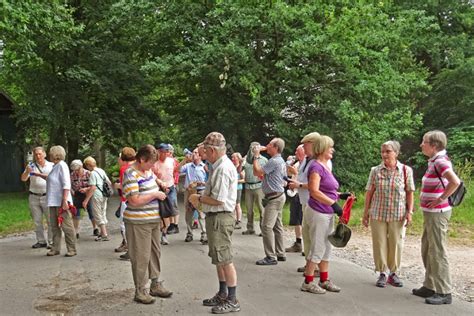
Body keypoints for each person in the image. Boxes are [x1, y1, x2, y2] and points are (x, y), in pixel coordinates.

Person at [189, 132, 240, 314]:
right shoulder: (217, 166)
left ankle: (232, 299)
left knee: (225, 258)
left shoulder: (223, 168)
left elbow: (218, 199)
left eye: (204, 150)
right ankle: (223, 293)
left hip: (221, 216)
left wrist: (198, 198)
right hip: (216, 217)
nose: (203, 153)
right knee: (219, 258)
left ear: (211, 150)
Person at [413, 130, 461, 305]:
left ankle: (444, 292)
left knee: (438, 251)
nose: (421, 145)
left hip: (438, 213)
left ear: (434, 145)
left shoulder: (440, 161)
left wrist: (441, 198)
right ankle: (430, 285)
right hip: (431, 213)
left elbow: (455, 182)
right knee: (427, 248)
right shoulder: (434, 160)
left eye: (424, 142)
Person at [122, 144, 173, 304]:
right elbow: (134, 200)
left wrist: (160, 183)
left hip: (153, 220)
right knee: (141, 256)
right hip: (138, 223)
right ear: (141, 159)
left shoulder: (147, 170)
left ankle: (155, 283)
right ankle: (141, 290)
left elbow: (152, 177)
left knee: (154, 253)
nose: (152, 166)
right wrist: (155, 195)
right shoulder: (131, 174)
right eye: (150, 163)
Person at [363, 141, 415, 288]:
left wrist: (409, 212)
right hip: (378, 212)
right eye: (383, 151)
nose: (385, 154)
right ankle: (382, 273)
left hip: (398, 214)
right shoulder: (375, 170)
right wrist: (365, 213)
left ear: (396, 153)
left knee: (396, 242)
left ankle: (394, 273)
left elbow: (410, 193)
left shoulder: (405, 170)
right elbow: (369, 193)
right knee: (379, 243)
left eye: (388, 151)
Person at [301, 135, 341, 294]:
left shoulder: (324, 165)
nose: (333, 150)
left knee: (326, 247)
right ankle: (308, 281)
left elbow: (326, 189)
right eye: (330, 147)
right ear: (322, 149)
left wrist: (339, 195)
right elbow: (314, 190)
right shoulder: (316, 167)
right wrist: (333, 203)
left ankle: (324, 279)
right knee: (318, 247)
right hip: (319, 212)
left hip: (326, 212)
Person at [253, 138, 287, 265]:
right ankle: (280, 253)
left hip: (274, 198)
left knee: (266, 227)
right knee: (277, 226)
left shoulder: (274, 161)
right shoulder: (279, 160)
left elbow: (257, 171)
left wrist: (256, 156)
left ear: (276, 147)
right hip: (278, 196)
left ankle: (270, 257)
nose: (267, 146)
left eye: (270, 144)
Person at [46, 145, 77, 257]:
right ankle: (55, 248)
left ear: (55, 154)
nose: (49, 154)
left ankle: (72, 249)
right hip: (53, 201)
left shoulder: (62, 166)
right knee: (54, 226)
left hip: (61, 201)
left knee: (66, 226)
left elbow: (66, 184)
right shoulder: (55, 166)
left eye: (50, 153)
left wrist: (64, 200)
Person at [20, 147, 54, 249]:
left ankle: (51, 241)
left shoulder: (51, 165)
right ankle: (41, 241)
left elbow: (54, 179)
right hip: (34, 196)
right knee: (37, 220)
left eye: (40, 154)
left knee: (50, 220)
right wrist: (27, 171)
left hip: (47, 195)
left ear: (44, 154)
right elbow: (23, 178)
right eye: (36, 154)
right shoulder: (31, 166)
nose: (38, 156)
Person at [153, 143, 180, 244]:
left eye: (167, 152)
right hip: (159, 189)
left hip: (171, 187)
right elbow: (152, 177)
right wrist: (160, 184)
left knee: (170, 210)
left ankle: (166, 231)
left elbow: (176, 171)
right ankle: (162, 233)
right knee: (161, 212)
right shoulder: (154, 163)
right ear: (159, 152)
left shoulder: (171, 161)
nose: (165, 154)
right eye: (163, 152)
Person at [181, 148, 207, 243]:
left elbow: (208, 182)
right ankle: (189, 233)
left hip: (200, 192)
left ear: (200, 155)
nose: (193, 154)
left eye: (196, 153)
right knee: (188, 213)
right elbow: (177, 170)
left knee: (201, 213)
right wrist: (184, 160)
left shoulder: (204, 167)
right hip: (189, 191)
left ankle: (204, 234)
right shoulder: (188, 166)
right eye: (193, 152)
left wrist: (199, 183)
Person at [82, 156, 111, 241]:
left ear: (88, 165)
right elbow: (108, 182)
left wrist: (86, 200)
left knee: (98, 214)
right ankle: (103, 233)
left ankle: (104, 235)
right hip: (104, 195)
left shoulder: (93, 173)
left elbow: (93, 187)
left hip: (97, 196)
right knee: (103, 213)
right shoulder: (101, 171)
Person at [115, 147, 136, 260]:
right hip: (137, 198)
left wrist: (117, 186)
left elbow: (124, 186)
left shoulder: (124, 168)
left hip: (126, 199)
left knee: (124, 224)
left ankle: (129, 249)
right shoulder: (137, 166)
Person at [242, 142, 267, 236]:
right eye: (252, 147)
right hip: (248, 186)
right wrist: (241, 162)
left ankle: (263, 229)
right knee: (249, 209)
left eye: (255, 147)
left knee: (262, 209)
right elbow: (240, 170)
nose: (253, 148)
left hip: (259, 186)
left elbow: (267, 173)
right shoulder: (247, 160)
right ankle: (250, 228)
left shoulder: (264, 160)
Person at [285, 145, 306, 253]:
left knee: (304, 220)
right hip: (295, 193)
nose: (295, 153)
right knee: (296, 220)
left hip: (303, 194)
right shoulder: (298, 164)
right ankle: (298, 243)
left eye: (298, 151)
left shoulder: (308, 164)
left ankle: (307, 247)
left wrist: (295, 173)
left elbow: (304, 180)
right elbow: (289, 175)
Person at [70, 159, 96, 239]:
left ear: (81, 167)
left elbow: (94, 186)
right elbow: (69, 185)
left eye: (78, 169)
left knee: (91, 211)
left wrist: (86, 189)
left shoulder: (88, 173)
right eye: (75, 170)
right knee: (77, 213)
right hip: (77, 194)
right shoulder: (72, 174)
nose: (76, 171)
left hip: (87, 194)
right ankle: (76, 231)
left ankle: (95, 228)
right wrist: (72, 191)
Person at [231, 152, 245, 230]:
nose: (232, 159)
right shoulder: (231, 166)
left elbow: (244, 180)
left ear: (238, 158)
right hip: (231, 189)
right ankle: (233, 219)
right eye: (232, 157)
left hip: (238, 188)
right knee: (232, 204)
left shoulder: (241, 168)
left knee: (237, 204)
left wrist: (235, 181)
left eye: (234, 157)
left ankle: (238, 220)